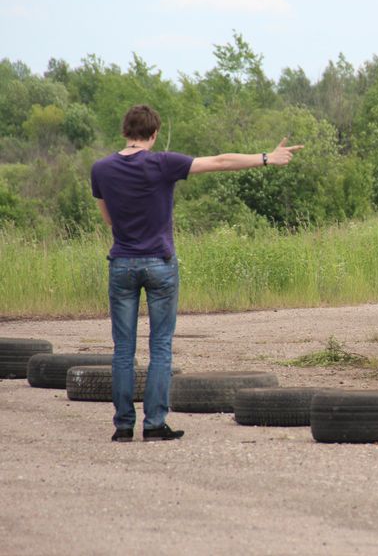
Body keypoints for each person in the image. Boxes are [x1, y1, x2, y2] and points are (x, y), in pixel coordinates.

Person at [91, 104, 303, 442]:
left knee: (123, 349)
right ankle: (155, 424)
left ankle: (122, 426)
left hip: (122, 263)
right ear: (155, 133)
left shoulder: (100, 169)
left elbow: (109, 220)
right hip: (159, 263)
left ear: (124, 132)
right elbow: (219, 161)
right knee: (160, 346)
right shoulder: (163, 163)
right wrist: (266, 157)